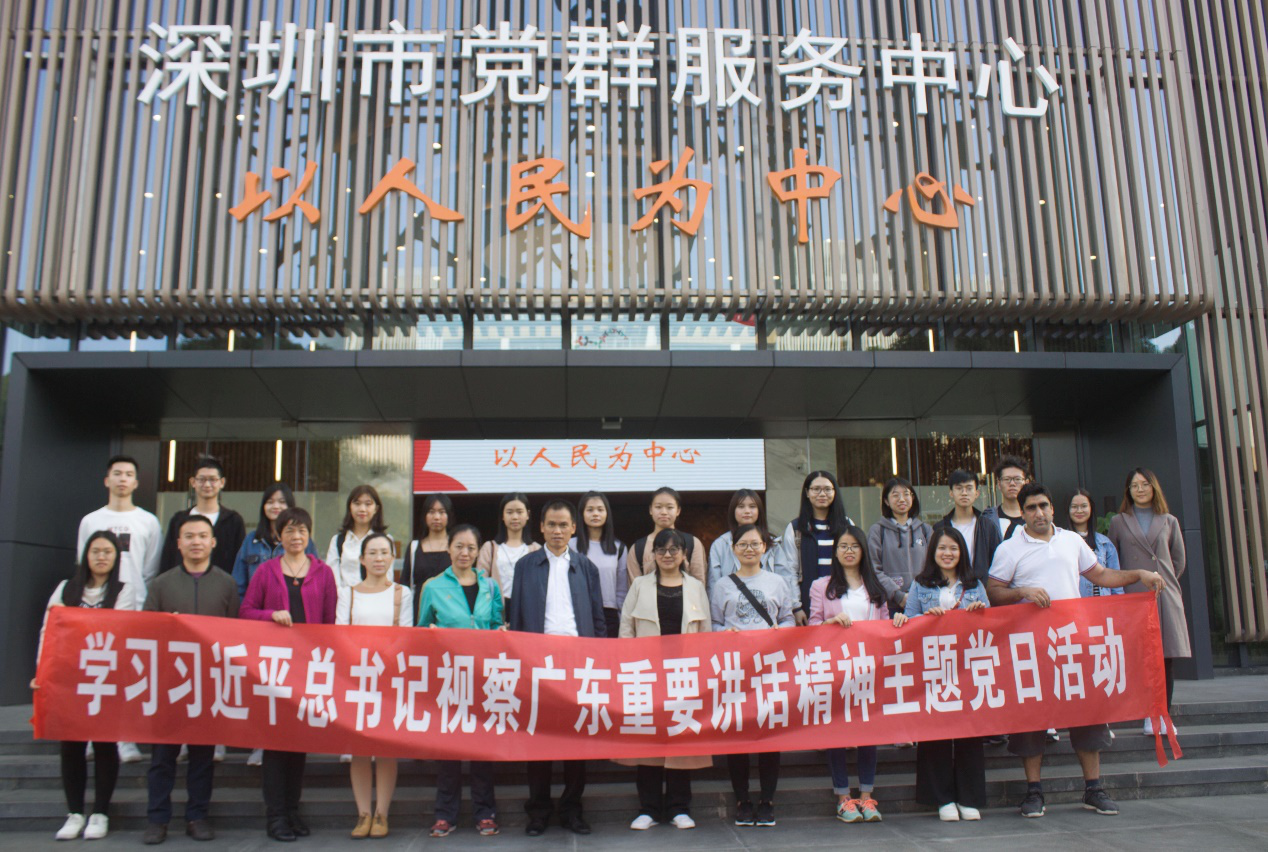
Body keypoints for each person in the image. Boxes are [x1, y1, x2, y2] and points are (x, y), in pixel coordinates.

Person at [987, 482, 1165, 819]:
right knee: (1031, 719)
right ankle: (1034, 792)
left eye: (1043, 506)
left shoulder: (1071, 540)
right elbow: (994, 591)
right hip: (1032, 649)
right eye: (1031, 508)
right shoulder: (1009, 549)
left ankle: (1093, 788)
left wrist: (1139, 574)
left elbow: (1101, 574)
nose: (1039, 513)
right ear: (1022, 513)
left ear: (1053, 508)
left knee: (1088, 715)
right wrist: (1022, 591)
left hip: (1073, 643)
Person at [507, 500, 606, 837]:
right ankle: (538, 811)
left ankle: (572, 810)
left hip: (577, 663)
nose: (558, 531)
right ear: (541, 527)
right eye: (551, 524)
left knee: (576, 739)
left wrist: (598, 660)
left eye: (564, 525)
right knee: (540, 739)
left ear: (574, 528)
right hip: (538, 662)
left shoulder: (586, 567)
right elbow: (517, 617)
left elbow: (598, 618)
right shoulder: (526, 566)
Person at [32, 531, 137, 841]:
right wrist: (42, 671)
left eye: (107, 552)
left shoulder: (124, 590)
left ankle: (100, 812)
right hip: (69, 678)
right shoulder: (66, 589)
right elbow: (49, 630)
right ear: (85, 556)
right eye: (95, 551)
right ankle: (75, 813)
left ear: (116, 558)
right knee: (71, 745)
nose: (101, 557)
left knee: (105, 743)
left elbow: (121, 630)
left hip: (106, 676)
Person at [239, 507, 337, 842]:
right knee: (275, 743)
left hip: (307, 668)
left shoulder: (323, 573)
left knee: (298, 742)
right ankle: (276, 816)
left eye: (302, 530)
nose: (296, 536)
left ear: (310, 534)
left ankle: (292, 811)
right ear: (279, 536)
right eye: (290, 531)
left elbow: (329, 623)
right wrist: (271, 615)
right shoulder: (266, 571)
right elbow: (245, 611)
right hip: (274, 668)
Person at [142, 515, 240, 845]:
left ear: (213, 542)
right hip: (169, 683)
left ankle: (197, 816)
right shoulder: (161, 584)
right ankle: (157, 818)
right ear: (178, 543)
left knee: (202, 758)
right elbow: (145, 631)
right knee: (162, 757)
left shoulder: (227, 584)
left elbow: (236, 633)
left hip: (208, 684)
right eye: (189, 536)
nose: (196, 541)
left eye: (202, 536)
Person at [892, 527, 989, 822]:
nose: (948, 554)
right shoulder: (920, 584)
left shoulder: (975, 584)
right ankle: (943, 799)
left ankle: (969, 798)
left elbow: (992, 625)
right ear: (933, 552)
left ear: (962, 553)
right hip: (933, 669)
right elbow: (909, 621)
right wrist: (921, 619)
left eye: (953, 548)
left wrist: (980, 612)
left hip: (968, 668)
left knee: (969, 732)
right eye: (942, 548)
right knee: (936, 732)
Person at [617, 529, 711, 831]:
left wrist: (703, 672)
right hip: (647, 675)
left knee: (680, 742)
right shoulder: (640, 585)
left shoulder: (695, 587)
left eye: (674, 550)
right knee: (648, 743)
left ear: (684, 554)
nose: (667, 555)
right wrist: (629, 668)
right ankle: (648, 808)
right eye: (661, 550)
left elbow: (706, 633)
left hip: (684, 675)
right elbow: (626, 629)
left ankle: (679, 808)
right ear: (653, 554)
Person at [417, 524, 504, 838]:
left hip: (482, 677)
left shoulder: (490, 586)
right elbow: (421, 630)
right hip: (448, 677)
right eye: (459, 546)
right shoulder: (433, 586)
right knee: (449, 748)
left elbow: (497, 625)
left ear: (479, 551)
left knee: (482, 748)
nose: (464, 553)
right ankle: (445, 815)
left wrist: (500, 633)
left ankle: (485, 812)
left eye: (471, 547)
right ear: (449, 548)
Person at [76, 454, 161, 765]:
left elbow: (150, 569)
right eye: (117, 473)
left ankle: (125, 738)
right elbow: (81, 563)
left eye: (128, 474)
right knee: (95, 669)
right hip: (95, 607)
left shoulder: (148, 521)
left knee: (127, 673)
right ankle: (90, 734)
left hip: (133, 608)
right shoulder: (91, 521)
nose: (122, 479)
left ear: (136, 482)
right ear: (107, 480)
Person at [710, 524, 795, 828]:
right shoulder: (722, 585)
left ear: (764, 548)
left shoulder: (777, 582)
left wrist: (780, 631)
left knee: (769, 734)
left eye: (755, 544)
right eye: (743, 544)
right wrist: (725, 633)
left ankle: (767, 800)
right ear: (733, 549)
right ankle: (743, 800)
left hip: (769, 669)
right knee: (739, 736)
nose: (749, 549)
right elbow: (714, 623)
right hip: (735, 670)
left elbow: (788, 618)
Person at [809, 524, 890, 824]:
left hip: (869, 667)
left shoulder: (875, 586)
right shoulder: (821, 586)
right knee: (838, 731)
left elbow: (885, 625)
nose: (848, 551)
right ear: (835, 552)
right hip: (836, 668)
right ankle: (843, 798)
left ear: (863, 551)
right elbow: (812, 626)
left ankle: (867, 796)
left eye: (854, 546)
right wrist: (830, 624)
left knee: (869, 730)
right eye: (843, 546)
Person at [338, 532, 413, 840]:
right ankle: (363, 813)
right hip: (355, 678)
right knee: (358, 749)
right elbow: (340, 633)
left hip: (388, 678)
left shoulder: (402, 593)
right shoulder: (348, 593)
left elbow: (406, 634)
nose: (379, 558)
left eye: (384, 552)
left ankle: (382, 812)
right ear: (362, 559)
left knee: (384, 748)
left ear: (392, 557)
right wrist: (360, 661)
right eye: (373, 553)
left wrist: (381, 662)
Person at [1107, 469, 1189, 734]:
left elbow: (1178, 561)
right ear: (1128, 491)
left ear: (1154, 488)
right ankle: (1147, 713)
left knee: (1164, 658)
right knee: (1140, 657)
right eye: (1134, 485)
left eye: (1144, 484)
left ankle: (1163, 715)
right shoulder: (1119, 521)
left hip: (1163, 595)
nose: (1140, 489)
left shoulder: (1169, 521)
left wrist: (1163, 580)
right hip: (1134, 597)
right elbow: (1113, 560)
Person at [777, 470, 867, 623]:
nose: (822, 494)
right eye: (816, 489)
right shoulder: (796, 528)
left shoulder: (846, 524)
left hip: (845, 599)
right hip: (810, 602)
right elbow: (790, 571)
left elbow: (858, 564)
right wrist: (796, 607)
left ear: (834, 492)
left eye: (827, 489)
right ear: (807, 493)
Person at [159, 455, 246, 580]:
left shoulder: (233, 521)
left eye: (213, 479)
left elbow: (240, 563)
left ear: (222, 482)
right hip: (181, 586)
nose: (207, 484)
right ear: (193, 482)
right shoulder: (178, 520)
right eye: (201, 479)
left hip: (221, 587)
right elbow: (168, 559)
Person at [707, 489, 794, 600]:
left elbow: (785, 581)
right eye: (741, 506)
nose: (747, 511)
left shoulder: (772, 544)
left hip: (768, 605)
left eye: (752, 506)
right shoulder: (720, 545)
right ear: (733, 510)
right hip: (731, 606)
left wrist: (793, 605)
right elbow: (714, 585)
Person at [868, 477, 933, 604]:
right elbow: (873, 569)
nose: (902, 499)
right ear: (886, 501)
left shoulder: (925, 530)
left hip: (923, 601)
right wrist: (898, 596)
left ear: (912, 498)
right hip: (889, 604)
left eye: (906, 494)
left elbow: (934, 566)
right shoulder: (877, 531)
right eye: (895, 495)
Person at [627, 487, 707, 588]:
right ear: (650, 510)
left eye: (670, 507)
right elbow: (635, 589)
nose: (664, 512)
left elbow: (699, 585)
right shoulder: (638, 548)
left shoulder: (692, 543)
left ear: (678, 510)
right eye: (658, 507)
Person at [572, 491, 627, 636]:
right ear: (581, 514)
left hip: (609, 613)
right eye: (590, 510)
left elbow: (621, 590)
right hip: (579, 610)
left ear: (607, 513)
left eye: (600, 509)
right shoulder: (570, 546)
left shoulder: (619, 548)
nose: (595, 514)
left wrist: (623, 620)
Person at [933, 470, 1004, 582]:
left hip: (981, 587)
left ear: (977, 493)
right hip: (948, 586)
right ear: (951, 493)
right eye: (959, 488)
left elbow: (998, 562)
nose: (964, 493)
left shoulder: (988, 526)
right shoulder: (940, 528)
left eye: (969, 488)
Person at [478, 492, 540, 603]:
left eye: (519, 512)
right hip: (496, 609)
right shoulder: (490, 548)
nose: (515, 517)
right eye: (509, 512)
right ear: (502, 515)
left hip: (527, 608)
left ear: (527, 515)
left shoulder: (536, 549)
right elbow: (481, 582)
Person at [326, 485, 391, 590]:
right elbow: (332, 579)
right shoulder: (338, 541)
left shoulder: (386, 540)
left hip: (376, 596)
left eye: (368, 504)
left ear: (376, 509)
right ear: (350, 507)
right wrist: (345, 597)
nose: (362, 509)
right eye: (357, 503)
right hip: (345, 597)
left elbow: (388, 577)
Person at [401, 493, 452, 620]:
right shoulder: (414, 547)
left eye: (442, 512)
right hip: (419, 612)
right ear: (424, 515)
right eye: (431, 512)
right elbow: (405, 584)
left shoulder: (456, 547)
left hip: (450, 613)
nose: (436, 517)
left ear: (449, 515)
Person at [1068, 489, 1125, 599]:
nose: (1079, 510)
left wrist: (1118, 605)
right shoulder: (1061, 541)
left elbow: (1116, 583)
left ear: (1091, 508)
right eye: (1074, 507)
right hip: (1075, 606)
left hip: (1103, 606)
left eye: (1084, 506)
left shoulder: (1104, 543)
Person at [989, 456, 1030, 541]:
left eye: (1017, 479)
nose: (1012, 483)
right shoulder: (989, 519)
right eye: (1007, 479)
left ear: (1026, 483)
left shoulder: (1035, 516)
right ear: (999, 484)